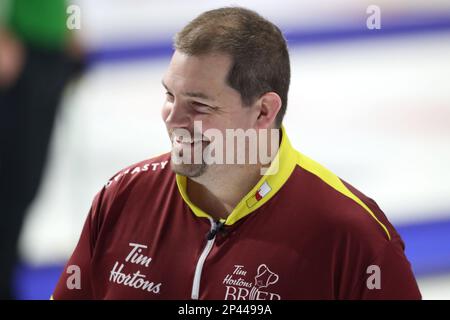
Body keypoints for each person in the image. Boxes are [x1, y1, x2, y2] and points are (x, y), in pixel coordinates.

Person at [52, 7, 421, 300]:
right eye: (169, 96)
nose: (172, 119)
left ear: (263, 112)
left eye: (198, 105)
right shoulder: (123, 198)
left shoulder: (353, 234)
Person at [0, 0, 83, 299]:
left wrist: (72, 31)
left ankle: (6, 277)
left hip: (51, 53)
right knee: (9, 181)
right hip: (19, 51)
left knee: (26, 182)